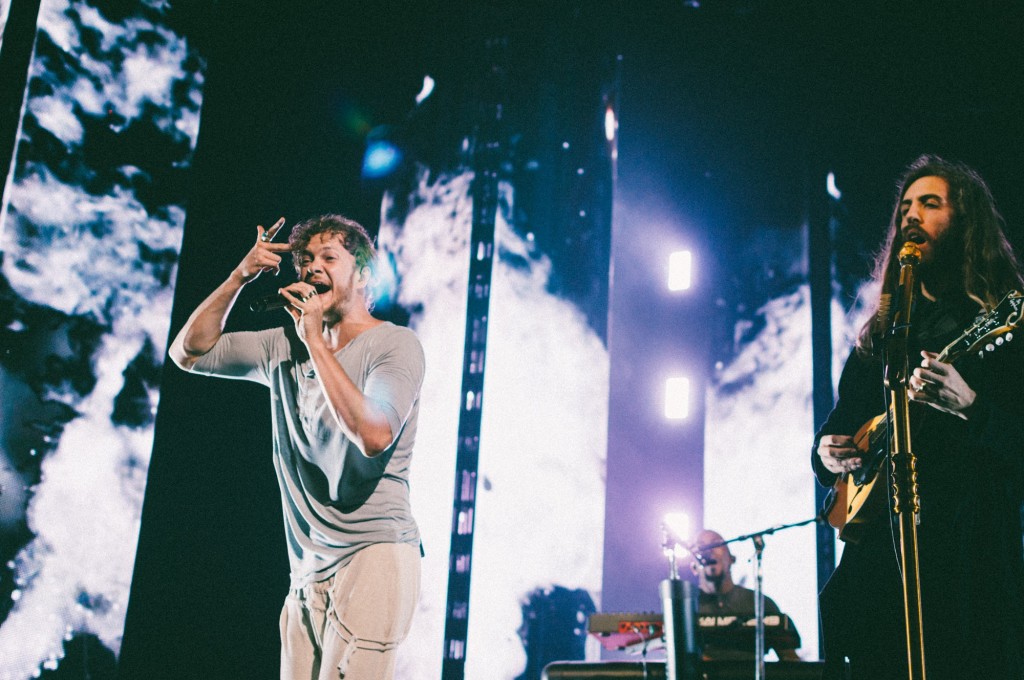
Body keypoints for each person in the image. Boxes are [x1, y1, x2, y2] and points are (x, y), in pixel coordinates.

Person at [169, 214, 425, 680]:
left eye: (329, 258)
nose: (312, 269)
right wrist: (239, 276)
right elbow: (189, 352)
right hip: (306, 571)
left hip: (374, 554)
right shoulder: (280, 347)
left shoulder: (395, 345)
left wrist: (313, 339)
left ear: (364, 274)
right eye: (305, 260)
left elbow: (374, 435)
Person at [813, 155, 1024, 680]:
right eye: (906, 205)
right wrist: (828, 454)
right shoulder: (882, 337)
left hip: (967, 561)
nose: (912, 214)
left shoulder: (1003, 326)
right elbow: (837, 431)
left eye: (931, 204)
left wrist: (971, 406)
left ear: (965, 222)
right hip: (882, 566)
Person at [690, 529, 801, 662]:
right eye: (701, 546)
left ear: (732, 559)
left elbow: (791, 662)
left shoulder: (759, 603)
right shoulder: (685, 608)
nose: (709, 550)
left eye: (716, 544)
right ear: (694, 568)